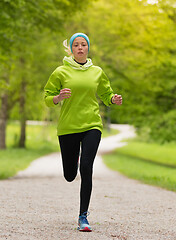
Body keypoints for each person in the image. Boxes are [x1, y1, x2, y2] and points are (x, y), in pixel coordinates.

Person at [44, 33, 122, 232]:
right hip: (68, 127)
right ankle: (77, 159)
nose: (80, 47)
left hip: (91, 125)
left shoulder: (97, 72)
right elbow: (47, 96)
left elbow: (105, 93)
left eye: (83, 44)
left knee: (86, 167)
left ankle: (83, 217)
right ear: (71, 49)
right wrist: (58, 97)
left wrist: (113, 99)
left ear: (88, 48)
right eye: (76, 45)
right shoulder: (60, 72)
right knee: (70, 175)